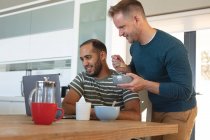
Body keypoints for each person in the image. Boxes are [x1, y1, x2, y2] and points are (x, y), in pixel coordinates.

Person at [108, 0, 197, 140]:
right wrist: (125, 68)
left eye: (122, 27)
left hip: (180, 110)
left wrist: (145, 84)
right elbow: (138, 71)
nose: (120, 33)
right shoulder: (135, 47)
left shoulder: (172, 47)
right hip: (156, 107)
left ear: (136, 19)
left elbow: (184, 91)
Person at [62, 39, 141, 121]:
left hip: (118, 131)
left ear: (102, 55)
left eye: (88, 57)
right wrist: (94, 112)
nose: (84, 63)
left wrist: (104, 114)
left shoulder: (123, 79)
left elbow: (135, 115)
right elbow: (65, 107)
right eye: (82, 59)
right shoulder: (82, 77)